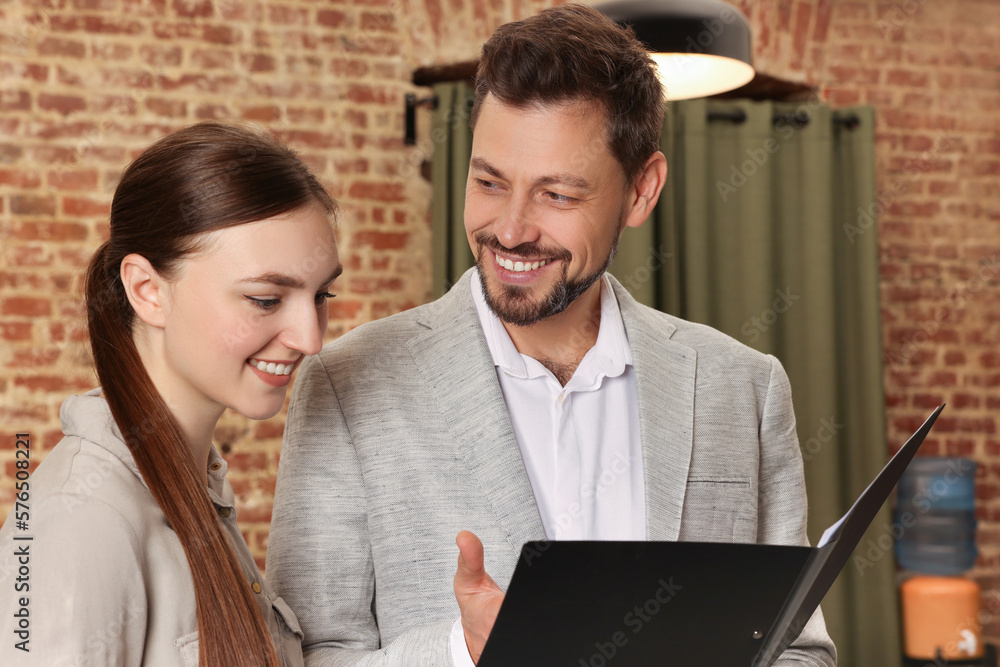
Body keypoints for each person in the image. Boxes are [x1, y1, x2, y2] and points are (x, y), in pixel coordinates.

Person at [267, 4, 835, 666]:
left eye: (558, 195)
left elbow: (800, 648)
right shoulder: (346, 386)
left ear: (641, 191)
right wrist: (458, 651)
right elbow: (305, 655)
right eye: (489, 182)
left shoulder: (745, 389)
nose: (510, 229)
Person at [0, 122, 342, 666]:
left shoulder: (192, 487)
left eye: (320, 294)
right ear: (147, 291)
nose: (311, 338)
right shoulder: (82, 519)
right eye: (264, 299)